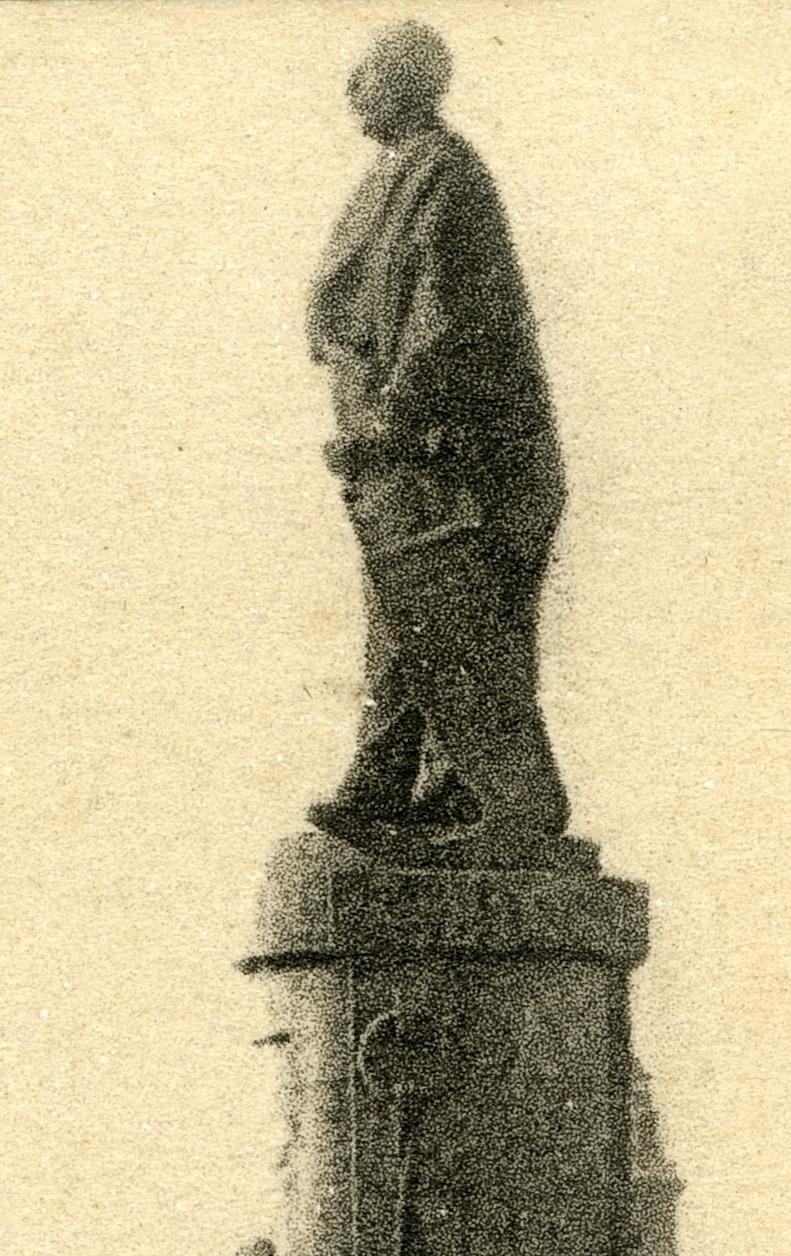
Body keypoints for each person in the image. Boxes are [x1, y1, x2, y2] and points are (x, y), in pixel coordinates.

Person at [303, 22, 569, 866]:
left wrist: (388, 420)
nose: (350, 86)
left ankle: (493, 799)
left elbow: (447, 322)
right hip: (408, 463)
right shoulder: (393, 176)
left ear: (411, 84)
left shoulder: (446, 177)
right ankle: (394, 785)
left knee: (452, 620)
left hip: (464, 464)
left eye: (367, 72)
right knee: (406, 616)